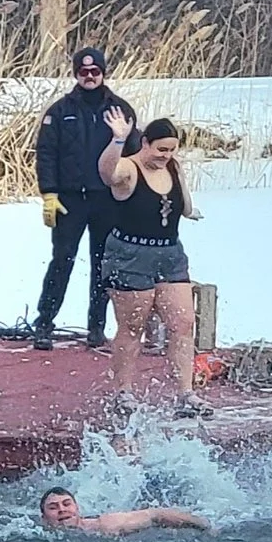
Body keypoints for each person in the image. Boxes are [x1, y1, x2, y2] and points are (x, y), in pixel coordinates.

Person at [95, 108, 209, 415]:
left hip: (169, 254)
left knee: (183, 324)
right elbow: (107, 174)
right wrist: (118, 140)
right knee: (133, 327)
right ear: (145, 143)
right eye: (161, 149)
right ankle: (123, 392)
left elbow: (183, 206)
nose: (166, 156)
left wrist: (190, 207)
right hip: (130, 254)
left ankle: (185, 393)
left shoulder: (173, 167)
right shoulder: (129, 169)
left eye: (171, 150)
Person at [29, 47, 135, 352]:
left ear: (103, 73)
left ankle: (96, 327)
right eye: (83, 72)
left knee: (104, 264)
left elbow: (133, 156)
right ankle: (44, 324)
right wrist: (48, 193)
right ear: (75, 73)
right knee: (62, 260)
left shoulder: (121, 110)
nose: (89, 77)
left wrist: (130, 195)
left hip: (107, 200)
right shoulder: (59, 111)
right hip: (70, 200)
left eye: (95, 72)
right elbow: (46, 154)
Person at [37, 487, 209, 535]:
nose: (62, 510)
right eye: (53, 507)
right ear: (44, 518)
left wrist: (204, 526)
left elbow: (155, 514)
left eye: (67, 504)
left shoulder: (106, 525)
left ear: (77, 509)